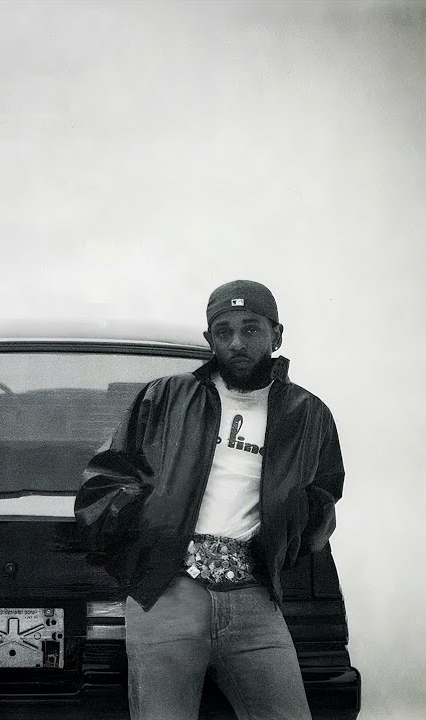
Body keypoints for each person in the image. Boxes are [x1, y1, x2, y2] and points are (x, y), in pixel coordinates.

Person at [74, 279, 345, 720]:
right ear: (209, 339)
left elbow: (325, 494)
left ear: (276, 335)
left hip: (254, 597)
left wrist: (286, 539)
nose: (237, 342)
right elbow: (103, 483)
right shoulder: (165, 396)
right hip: (168, 593)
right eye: (224, 331)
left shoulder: (309, 414)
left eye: (251, 329)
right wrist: (152, 541)